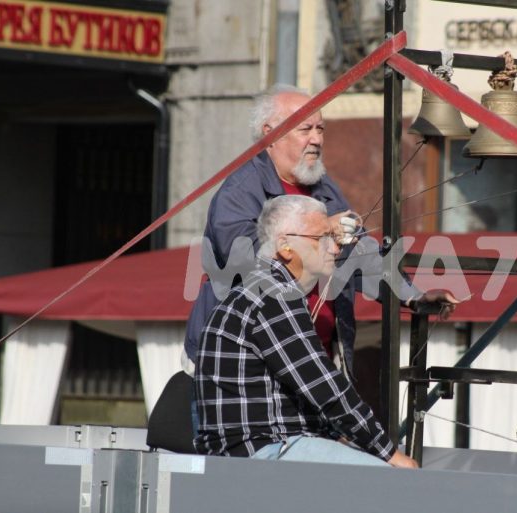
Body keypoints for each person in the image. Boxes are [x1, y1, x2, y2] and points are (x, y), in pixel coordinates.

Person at [184, 84, 458, 377]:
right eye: (305, 129)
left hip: (316, 365)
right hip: (246, 372)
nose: (316, 139)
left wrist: (414, 297)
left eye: (321, 129)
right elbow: (248, 262)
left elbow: (362, 256)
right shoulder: (240, 192)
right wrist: (324, 229)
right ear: (270, 133)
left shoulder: (323, 189)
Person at [194, 195, 417, 468]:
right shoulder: (273, 295)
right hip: (261, 452)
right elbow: (325, 388)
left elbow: (306, 397)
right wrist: (390, 454)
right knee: (391, 480)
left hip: (265, 446)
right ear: (286, 246)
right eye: (322, 238)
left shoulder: (265, 288)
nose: (335, 248)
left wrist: (344, 438)